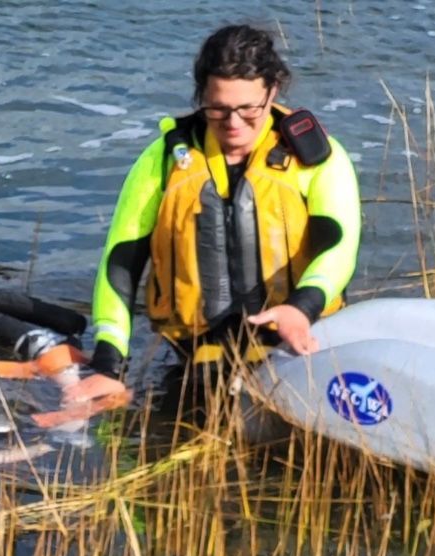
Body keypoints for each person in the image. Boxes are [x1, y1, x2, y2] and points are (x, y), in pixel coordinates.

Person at [73, 24, 360, 407]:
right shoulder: (161, 162)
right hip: (197, 356)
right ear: (200, 97)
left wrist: (301, 307)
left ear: (272, 92)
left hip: (297, 345)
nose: (234, 123)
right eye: (218, 109)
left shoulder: (319, 159)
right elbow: (120, 264)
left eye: (248, 109)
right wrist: (108, 367)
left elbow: (340, 247)